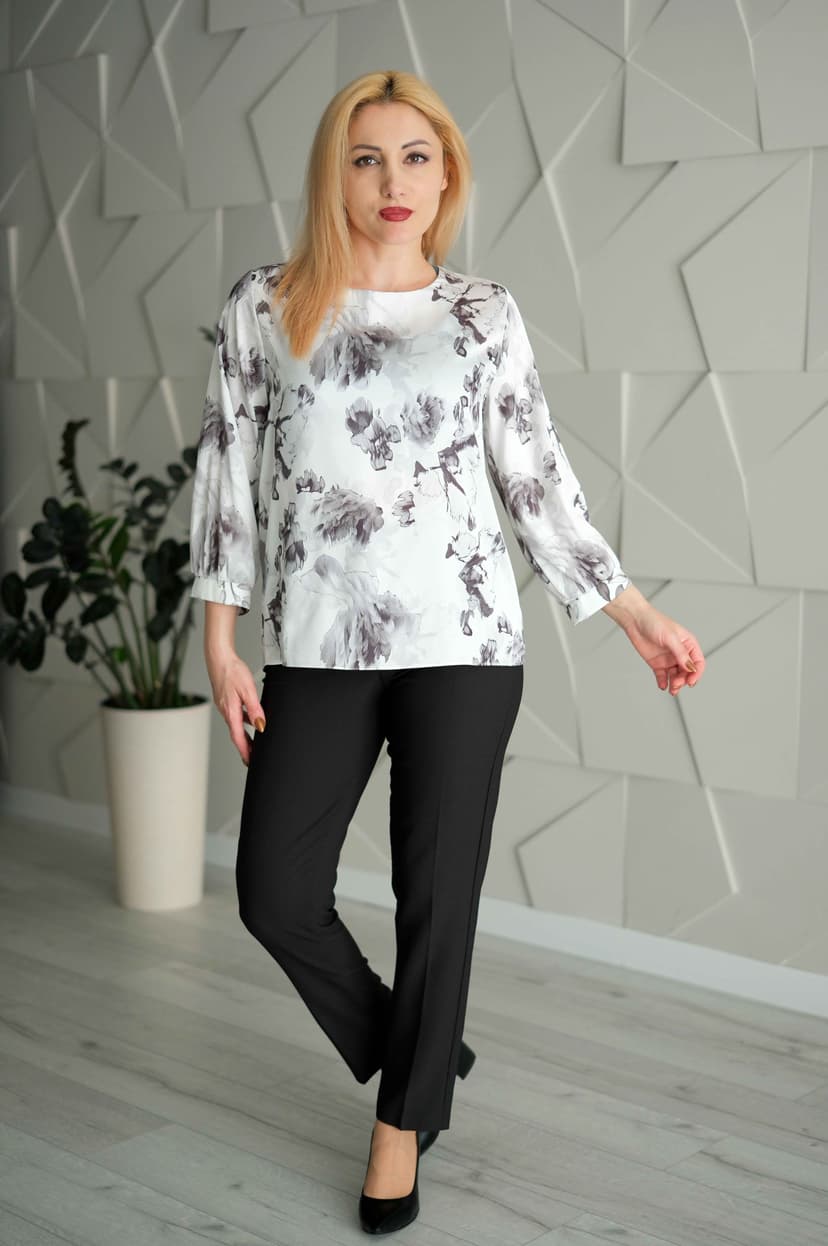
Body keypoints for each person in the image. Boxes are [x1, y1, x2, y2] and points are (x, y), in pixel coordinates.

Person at [188, 69, 705, 1236]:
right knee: (276, 892)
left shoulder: (484, 313)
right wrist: (219, 639)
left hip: (465, 644)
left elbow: (534, 480)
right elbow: (227, 472)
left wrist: (634, 611)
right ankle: (416, 1054)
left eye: (415, 157)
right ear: (335, 173)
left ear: (446, 175)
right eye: (366, 156)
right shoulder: (266, 305)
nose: (393, 180)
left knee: (438, 893)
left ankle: (399, 1127)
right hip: (317, 642)